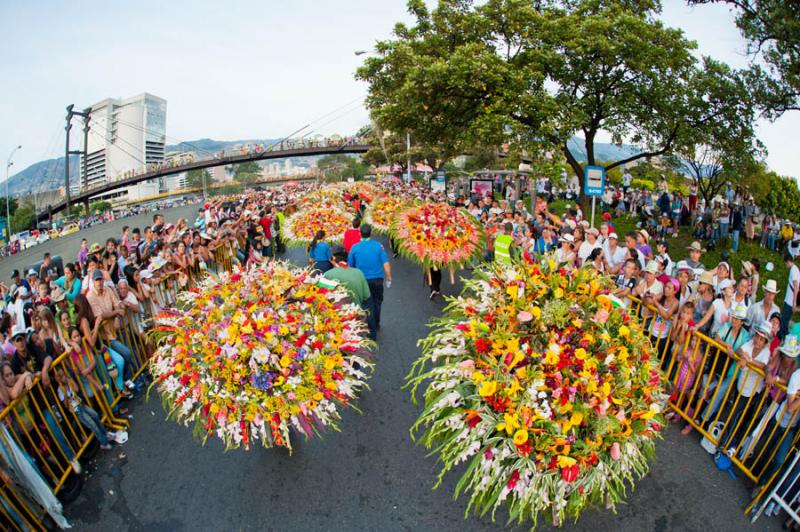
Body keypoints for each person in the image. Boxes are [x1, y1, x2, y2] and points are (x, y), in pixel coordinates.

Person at [347, 224, 392, 340]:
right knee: (377, 302)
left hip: (362, 280)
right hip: (377, 279)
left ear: (360, 233)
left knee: (366, 304)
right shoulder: (378, 246)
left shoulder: (355, 248)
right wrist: (389, 277)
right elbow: (386, 263)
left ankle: (367, 325)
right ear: (371, 233)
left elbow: (350, 266)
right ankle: (376, 324)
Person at [53, 366, 114, 451]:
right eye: (61, 376)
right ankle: (103, 443)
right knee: (92, 424)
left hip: (81, 404)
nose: (64, 377)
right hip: (76, 410)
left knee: (95, 415)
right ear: (58, 379)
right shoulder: (60, 390)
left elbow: (77, 389)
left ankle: (105, 434)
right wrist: (65, 393)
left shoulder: (69, 381)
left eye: (64, 375)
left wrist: (70, 381)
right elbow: (66, 405)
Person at [782, 253, 800, 337]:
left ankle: (785, 338)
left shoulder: (793, 270)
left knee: (783, 322)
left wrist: (794, 303)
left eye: (785, 263)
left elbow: (796, 287)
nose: (785, 265)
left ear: (788, 261)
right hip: (789, 300)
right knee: (784, 321)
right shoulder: (795, 269)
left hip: (790, 301)